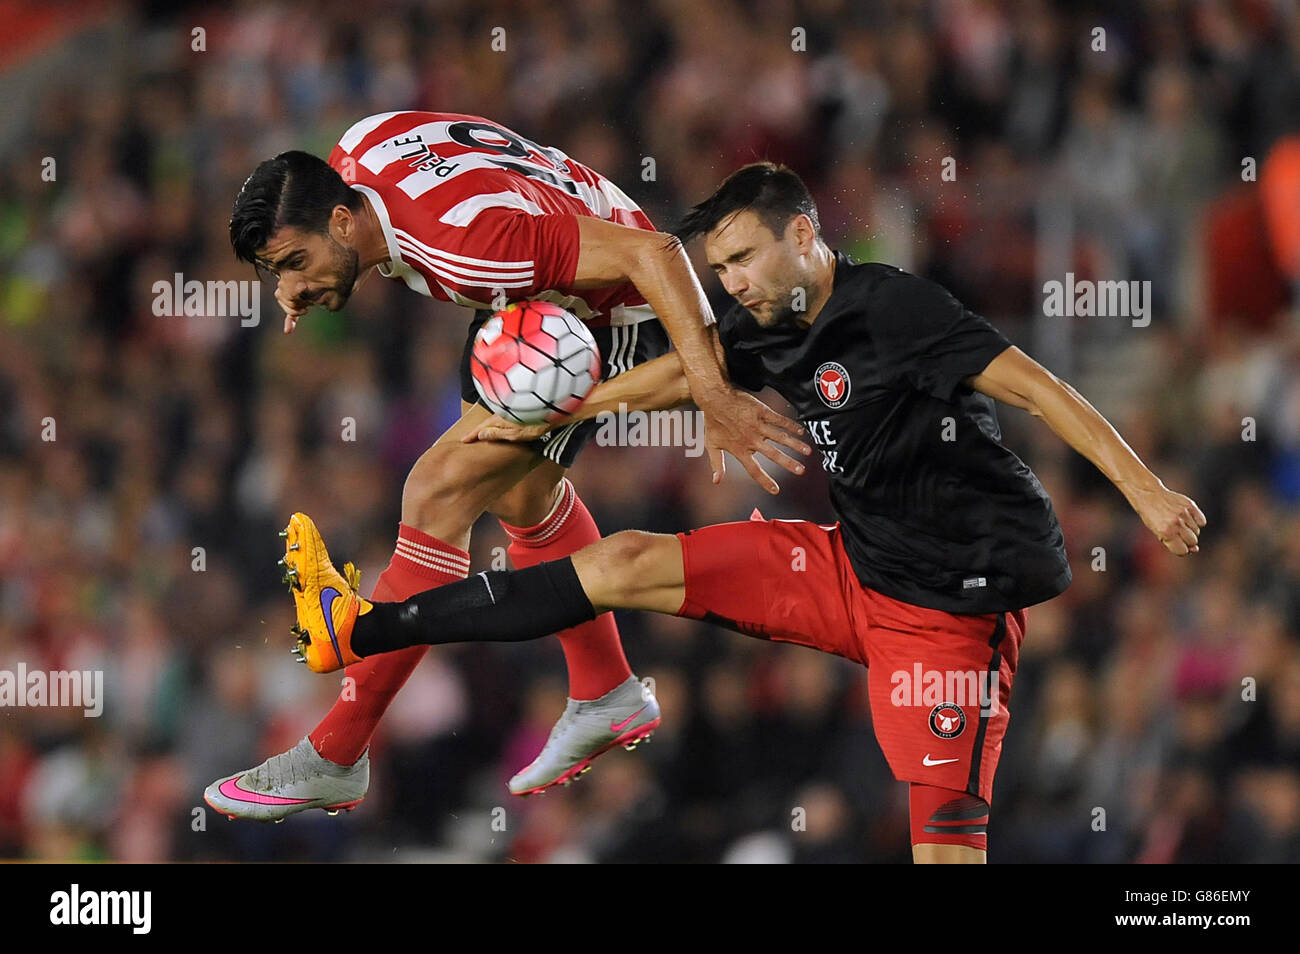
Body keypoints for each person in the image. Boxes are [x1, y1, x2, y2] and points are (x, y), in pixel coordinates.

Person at [278, 162, 1206, 862]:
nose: (732, 283)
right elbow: (688, 374)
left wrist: (1149, 493)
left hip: (948, 621)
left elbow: (1041, 391)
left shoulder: (897, 311)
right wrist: (570, 406)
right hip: (849, 568)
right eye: (718, 267)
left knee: (946, 850)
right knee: (628, 560)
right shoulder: (766, 326)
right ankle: (368, 625)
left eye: (743, 258)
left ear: (804, 236)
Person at [204, 114, 809, 821]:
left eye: (294, 264)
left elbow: (658, 253)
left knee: (434, 493)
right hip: (535, 290)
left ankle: (336, 754)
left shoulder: (467, 246)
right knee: (524, 496)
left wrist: (710, 387)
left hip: (615, 308)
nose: (291, 285)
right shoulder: (356, 152)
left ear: (342, 221)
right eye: (280, 272)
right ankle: (607, 689)